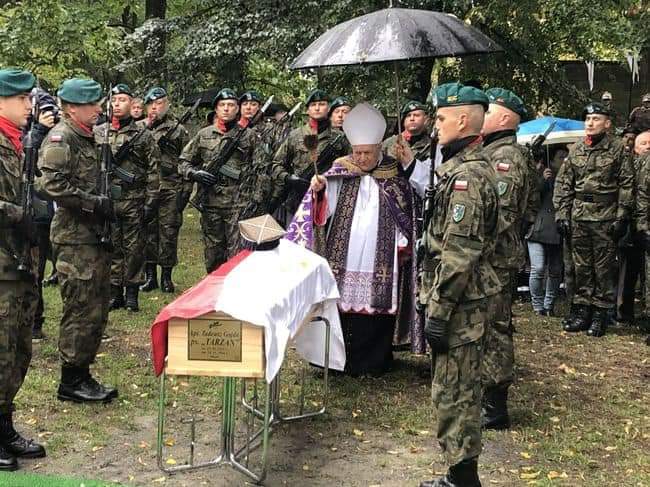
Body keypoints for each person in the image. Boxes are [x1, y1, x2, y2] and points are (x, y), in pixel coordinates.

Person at [287, 102, 416, 376]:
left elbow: (406, 207)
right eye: (357, 152)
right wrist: (319, 190)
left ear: (379, 150)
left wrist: (403, 242)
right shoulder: (341, 168)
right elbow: (322, 210)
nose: (361, 159)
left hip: (381, 253)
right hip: (342, 249)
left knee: (377, 303)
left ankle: (373, 361)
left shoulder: (394, 174)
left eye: (367, 153)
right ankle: (336, 359)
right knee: (340, 302)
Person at [417, 82, 500, 487]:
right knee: (451, 389)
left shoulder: (468, 177)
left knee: (457, 392)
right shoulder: (458, 168)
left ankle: (464, 480)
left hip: (460, 303)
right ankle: (459, 475)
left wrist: (439, 307)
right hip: (459, 299)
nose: (436, 126)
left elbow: (460, 253)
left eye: (442, 118)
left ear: (463, 119)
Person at [38, 77, 118, 404]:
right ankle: (71, 380)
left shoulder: (90, 136)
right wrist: (91, 202)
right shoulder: (62, 138)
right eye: (91, 104)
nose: (98, 108)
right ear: (72, 108)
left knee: (96, 307)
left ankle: (82, 373)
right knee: (80, 307)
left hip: (93, 236)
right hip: (74, 238)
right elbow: (51, 186)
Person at [0, 67, 47, 470]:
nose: (29, 107)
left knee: (17, 350)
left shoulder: (15, 142)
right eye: (22, 100)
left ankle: (5, 427)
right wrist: (18, 214)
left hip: (18, 263)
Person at [554, 102, 634, 337]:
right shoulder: (576, 149)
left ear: (607, 123)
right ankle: (582, 312)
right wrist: (561, 214)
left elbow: (627, 184)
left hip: (605, 216)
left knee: (604, 268)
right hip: (579, 215)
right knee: (581, 267)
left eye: (596, 119)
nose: (590, 123)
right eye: (587, 119)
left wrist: (622, 217)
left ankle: (600, 315)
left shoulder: (618, 149)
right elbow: (564, 183)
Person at [480, 87, 532, 431]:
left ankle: (495, 405)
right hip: (487, 258)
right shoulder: (489, 151)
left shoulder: (507, 158)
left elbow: (503, 213)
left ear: (504, 118)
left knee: (495, 328)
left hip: (497, 259)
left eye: (487, 110)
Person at [95, 84, 160, 312]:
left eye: (123, 100)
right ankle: (115, 292)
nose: (117, 104)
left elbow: (154, 170)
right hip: (108, 199)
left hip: (134, 199)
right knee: (112, 246)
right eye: (114, 100)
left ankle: (132, 291)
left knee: (134, 248)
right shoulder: (100, 132)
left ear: (132, 104)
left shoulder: (143, 134)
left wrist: (151, 201)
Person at [179, 89, 255, 272]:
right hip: (211, 203)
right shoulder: (203, 135)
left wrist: (253, 201)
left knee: (237, 253)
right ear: (216, 109)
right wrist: (194, 173)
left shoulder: (249, 136)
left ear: (237, 109)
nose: (226, 109)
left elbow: (261, 170)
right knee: (213, 253)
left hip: (238, 204)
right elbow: (183, 161)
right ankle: (213, 293)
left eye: (231, 105)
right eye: (222, 105)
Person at [270, 89, 350, 224]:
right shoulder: (295, 136)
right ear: (307, 110)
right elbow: (275, 165)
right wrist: (289, 178)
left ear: (329, 108)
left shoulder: (340, 138)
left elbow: (350, 167)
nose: (317, 108)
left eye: (322, 104)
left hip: (328, 201)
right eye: (313, 105)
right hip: (297, 201)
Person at [139, 87, 188, 294]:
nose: (154, 108)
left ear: (166, 105)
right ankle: (150, 276)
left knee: (168, 232)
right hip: (147, 188)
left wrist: (185, 192)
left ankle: (166, 276)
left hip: (170, 187)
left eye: (158, 104)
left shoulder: (178, 130)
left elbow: (187, 160)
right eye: (151, 104)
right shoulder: (140, 128)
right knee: (148, 233)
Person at [527, 146, 567, 315]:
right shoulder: (540, 175)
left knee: (555, 270)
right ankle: (537, 305)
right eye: (560, 157)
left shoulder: (569, 178)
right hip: (538, 228)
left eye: (566, 157)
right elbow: (531, 197)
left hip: (558, 229)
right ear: (551, 160)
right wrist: (542, 181)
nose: (564, 160)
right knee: (538, 268)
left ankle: (549, 304)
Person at [618, 130, 650, 326]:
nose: (648, 146)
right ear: (635, 148)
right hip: (629, 226)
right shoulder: (627, 165)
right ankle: (624, 311)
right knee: (627, 272)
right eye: (644, 143)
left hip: (647, 226)